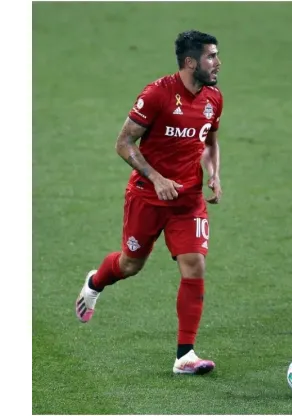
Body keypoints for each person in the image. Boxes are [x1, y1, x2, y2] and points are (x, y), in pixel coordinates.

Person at [75, 30, 224, 375]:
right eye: (211, 56)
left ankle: (184, 355)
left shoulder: (213, 98)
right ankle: (95, 282)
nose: (218, 62)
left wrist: (214, 174)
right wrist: (157, 179)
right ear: (190, 62)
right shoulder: (157, 94)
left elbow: (210, 141)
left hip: (187, 201)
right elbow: (124, 142)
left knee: (194, 265)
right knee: (130, 265)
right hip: (147, 197)